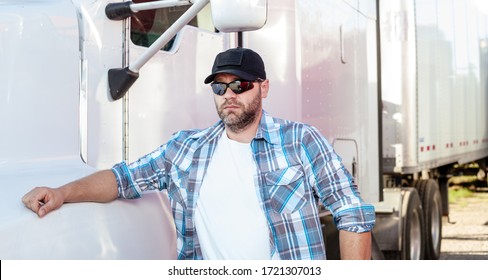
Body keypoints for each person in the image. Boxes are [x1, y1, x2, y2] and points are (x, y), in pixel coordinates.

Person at [22, 47, 375, 260]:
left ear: (263, 88)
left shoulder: (301, 141)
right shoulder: (186, 148)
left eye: (241, 85)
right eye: (220, 86)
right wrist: (62, 193)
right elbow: (122, 179)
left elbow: (352, 212)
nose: (229, 94)